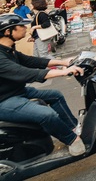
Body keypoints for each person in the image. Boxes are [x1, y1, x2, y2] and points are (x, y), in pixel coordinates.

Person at [0, 14, 86, 156]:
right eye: (21, 26)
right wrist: (64, 72)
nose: (25, 28)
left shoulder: (9, 49)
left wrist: (63, 62)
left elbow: (32, 61)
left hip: (18, 92)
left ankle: (73, 127)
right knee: (47, 115)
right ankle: (72, 140)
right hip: (4, 101)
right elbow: (27, 73)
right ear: (8, 32)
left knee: (55, 95)